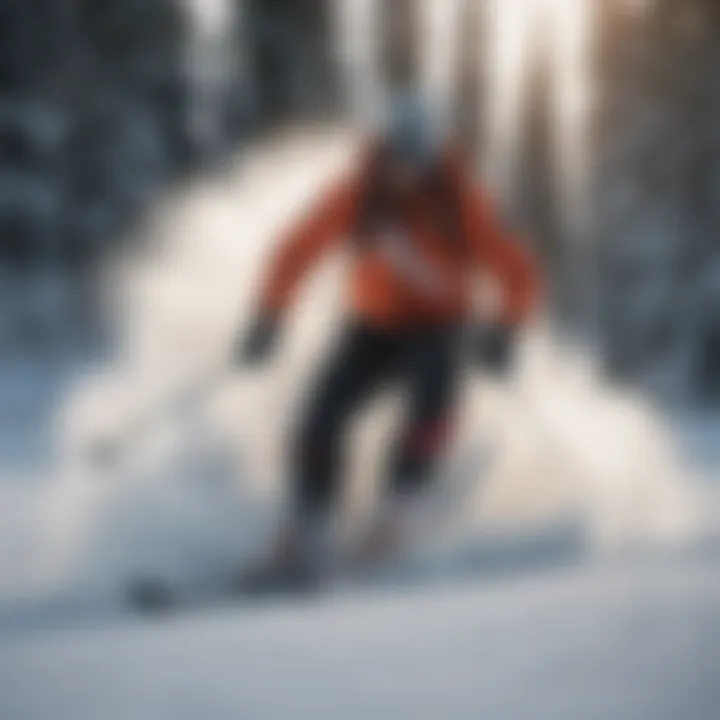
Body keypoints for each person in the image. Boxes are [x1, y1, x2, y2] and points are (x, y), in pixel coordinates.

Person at [235, 95, 541, 586]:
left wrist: (507, 329)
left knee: (431, 406)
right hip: (371, 328)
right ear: (382, 147)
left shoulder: (460, 198)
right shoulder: (358, 193)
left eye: (417, 152)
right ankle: (306, 531)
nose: (405, 166)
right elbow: (298, 247)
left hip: (438, 327)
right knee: (317, 419)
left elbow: (517, 268)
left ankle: (396, 514)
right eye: (397, 151)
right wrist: (269, 314)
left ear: (434, 149)